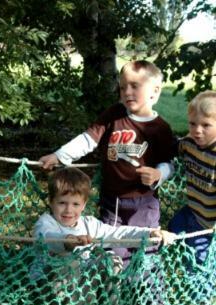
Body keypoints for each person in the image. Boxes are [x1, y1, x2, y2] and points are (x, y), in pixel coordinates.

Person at [38, 60, 177, 262]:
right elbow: (88, 139)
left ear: (154, 91)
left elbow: (169, 163)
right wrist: (59, 155)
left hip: (144, 202)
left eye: (134, 86)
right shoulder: (114, 115)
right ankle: (114, 289)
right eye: (122, 88)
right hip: (113, 201)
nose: (127, 92)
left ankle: (144, 290)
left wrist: (159, 173)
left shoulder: (160, 128)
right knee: (111, 250)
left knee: (145, 249)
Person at [32, 167, 174, 305]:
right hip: (46, 289)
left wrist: (149, 234)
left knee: (110, 260)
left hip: (79, 289)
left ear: (84, 205)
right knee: (71, 262)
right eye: (62, 203)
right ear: (51, 201)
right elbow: (46, 239)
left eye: (75, 204)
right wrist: (67, 241)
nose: (68, 210)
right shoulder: (46, 222)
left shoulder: (89, 224)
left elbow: (117, 234)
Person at [168, 90, 216, 305]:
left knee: (202, 258)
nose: (197, 131)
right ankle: (180, 267)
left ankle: (201, 298)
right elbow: (176, 147)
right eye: (192, 124)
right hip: (192, 208)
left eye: (206, 125)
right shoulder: (190, 143)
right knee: (174, 229)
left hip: (210, 221)